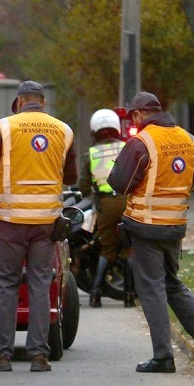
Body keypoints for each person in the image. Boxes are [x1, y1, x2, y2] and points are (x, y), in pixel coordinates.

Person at [107, 91, 194, 373]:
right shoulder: (188, 139)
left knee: (152, 289)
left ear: (138, 114)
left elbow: (119, 184)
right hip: (174, 225)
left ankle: (163, 356)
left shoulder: (141, 142)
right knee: (172, 283)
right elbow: (191, 180)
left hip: (146, 226)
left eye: (132, 117)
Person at [0, 80, 78, 372]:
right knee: (41, 285)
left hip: (11, 223)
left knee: (6, 286)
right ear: (43, 103)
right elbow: (70, 176)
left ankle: (1, 355)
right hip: (46, 224)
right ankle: (39, 355)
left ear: (19, 103)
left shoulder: (5, 128)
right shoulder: (63, 130)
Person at [78, 109, 133, 308]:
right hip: (128, 202)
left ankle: (95, 294)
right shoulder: (128, 147)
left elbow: (83, 188)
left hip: (106, 205)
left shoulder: (90, 154)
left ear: (94, 131)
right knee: (129, 250)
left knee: (107, 249)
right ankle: (128, 296)